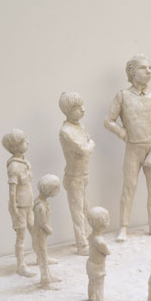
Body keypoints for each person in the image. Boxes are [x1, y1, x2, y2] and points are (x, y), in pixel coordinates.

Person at [105, 54, 151, 240]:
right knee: (129, 188)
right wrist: (123, 133)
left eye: (150, 67)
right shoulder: (123, 96)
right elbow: (108, 120)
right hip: (133, 150)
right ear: (132, 72)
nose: (148, 71)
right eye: (143, 68)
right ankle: (123, 227)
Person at [59, 92, 95, 254]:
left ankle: (87, 238)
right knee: (77, 211)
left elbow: (87, 146)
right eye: (78, 107)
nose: (83, 109)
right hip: (74, 176)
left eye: (82, 106)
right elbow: (85, 149)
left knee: (85, 208)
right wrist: (90, 144)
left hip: (83, 174)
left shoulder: (79, 127)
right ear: (68, 111)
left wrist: (88, 145)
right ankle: (82, 244)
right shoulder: (66, 131)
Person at [1, 129, 35, 277]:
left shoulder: (24, 162)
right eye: (24, 141)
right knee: (21, 236)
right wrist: (13, 208)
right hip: (20, 205)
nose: (27, 142)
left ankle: (41, 256)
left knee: (35, 231)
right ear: (16, 146)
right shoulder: (14, 166)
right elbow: (12, 190)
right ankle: (21, 265)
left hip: (28, 203)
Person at [32, 174, 62, 289]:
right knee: (43, 258)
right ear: (49, 190)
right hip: (39, 235)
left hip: (41, 235)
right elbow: (42, 222)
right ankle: (45, 281)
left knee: (44, 256)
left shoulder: (42, 202)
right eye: (57, 188)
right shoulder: (40, 206)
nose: (58, 191)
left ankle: (49, 276)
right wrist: (49, 230)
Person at [86, 206, 111, 301]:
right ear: (103, 222)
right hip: (98, 266)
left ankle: (91, 297)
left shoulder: (91, 236)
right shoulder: (100, 241)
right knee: (99, 284)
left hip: (90, 263)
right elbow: (107, 252)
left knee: (91, 281)